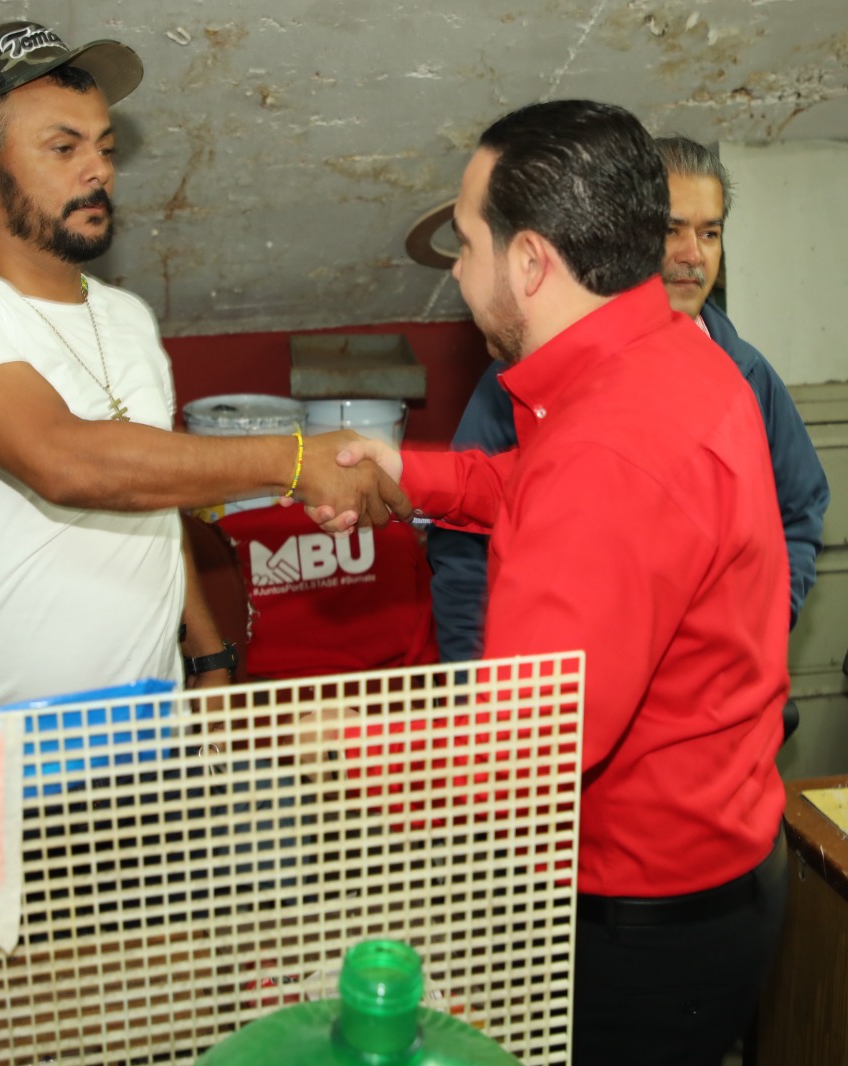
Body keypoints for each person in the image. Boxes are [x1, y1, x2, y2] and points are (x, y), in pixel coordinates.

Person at [332, 100, 790, 1065]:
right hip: (711, 876)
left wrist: (327, 745)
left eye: (467, 244)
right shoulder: (665, 357)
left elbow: (523, 751)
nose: (459, 273)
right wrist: (405, 473)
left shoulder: (608, 452)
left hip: (644, 931)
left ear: (532, 262)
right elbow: (542, 492)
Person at [0, 21, 408, 711]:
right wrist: (294, 460)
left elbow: (149, 486)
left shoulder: (127, 319)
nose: (99, 171)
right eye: (64, 148)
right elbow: (64, 461)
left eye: (106, 147)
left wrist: (207, 652)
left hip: (142, 724)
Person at [427, 135, 829, 662]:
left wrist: (762, 625)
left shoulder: (747, 375)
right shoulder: (530, 370)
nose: (692, 255)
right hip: (556, 688)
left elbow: (798, 510)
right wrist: (471, 680)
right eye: (670, 230)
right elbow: (465, 539)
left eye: (710, 233)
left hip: (706, 692)